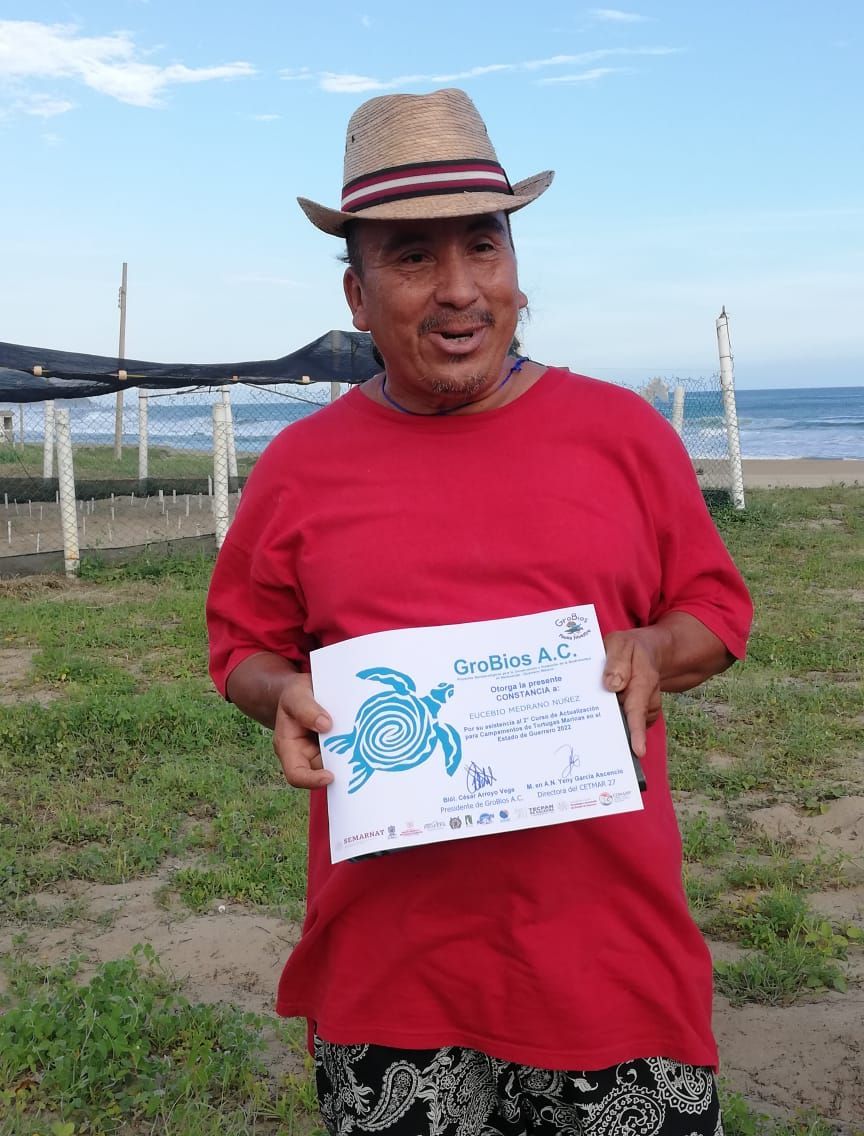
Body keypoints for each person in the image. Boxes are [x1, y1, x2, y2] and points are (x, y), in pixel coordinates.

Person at [207, 87, 752, 1136]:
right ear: (357, 293)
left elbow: (715, 609)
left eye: (484, 246)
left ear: (516, 267)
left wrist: (652, 649)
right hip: (389, 970)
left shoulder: (621, 434)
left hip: (610, 961)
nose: (460, 290)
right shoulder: (300, 469)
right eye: (413, 256)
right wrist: (280, 693)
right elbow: (244, 645)